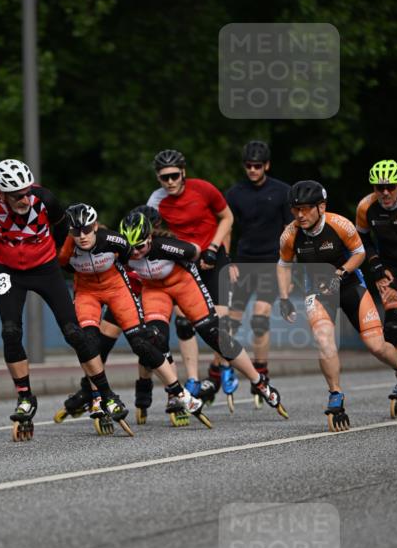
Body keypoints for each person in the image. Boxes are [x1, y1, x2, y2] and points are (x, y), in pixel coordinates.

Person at [0, 159, 128, 439]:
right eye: (16, 195)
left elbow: (61, 234)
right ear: (0, 193)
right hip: (10, 271)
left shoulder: (45, 199)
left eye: (26, 191)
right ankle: (25, 398)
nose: (24, 198)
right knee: (10, 332)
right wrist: (13, 251)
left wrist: (44, 255)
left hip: (45, 269)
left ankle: (106, 394)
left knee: (74, 333)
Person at [119, 207, 289, 418]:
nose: (135, 252)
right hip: (154, 290)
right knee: (155, 339)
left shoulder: (166, 246)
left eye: (140, 246)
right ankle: (175, 393)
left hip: (183, 284)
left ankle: (259, 382)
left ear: (150, 237)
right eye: (131, 248)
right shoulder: (123, 251)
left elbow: (195, 251)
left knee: (215, 337)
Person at [53, 204, 208, 430]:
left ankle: (176, 394)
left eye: (86, 230)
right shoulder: (67, 249)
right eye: (76, 232)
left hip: (123, 292)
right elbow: (61, 267)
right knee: (93, 344)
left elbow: (144, 262)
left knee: (144, 342)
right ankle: (94, 395)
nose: (82, 236)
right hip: (91, 293)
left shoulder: (123, 242)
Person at [277, 180, 397, 430]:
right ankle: (335, 393)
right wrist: (284, 298)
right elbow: (284, 265)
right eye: (295, 209)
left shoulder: (340, 225)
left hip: (350, 286)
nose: (300, 214)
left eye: (306, 208)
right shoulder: (290, 234)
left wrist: (340, 273)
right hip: (317, 292)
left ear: (321, 206)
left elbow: (360, 254)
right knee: (324, 339)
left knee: (376, 345)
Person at [147, 149, 238, 403]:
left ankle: (219, 368)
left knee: (218, 321)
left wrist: (215, 248)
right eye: (165, 178)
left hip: (213, 253)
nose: (171, 182)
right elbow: (148, 230)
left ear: (183, 172)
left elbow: (227, 217)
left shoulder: (204, 189)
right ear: (158, 178)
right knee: (184, 321)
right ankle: (192, 379)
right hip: (185, 259)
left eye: (175, 176)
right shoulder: (156, 200)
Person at [225, 140, 291, 405]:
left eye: (257, 166)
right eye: (249, 166)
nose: (252, 170)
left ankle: (261, 373)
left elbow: (290, 231)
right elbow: (227, 226)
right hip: (243, 262)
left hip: (271, 263)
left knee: (259, 320)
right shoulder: (235, 193)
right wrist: (228, 261)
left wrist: (289, 267)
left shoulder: (282, 191)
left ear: (267, 165)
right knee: (229, 323)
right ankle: (219, 371)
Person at [355, 159, 397, 403]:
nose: (385, 193)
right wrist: (377, 267)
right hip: (390, 268)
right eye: (380, 188)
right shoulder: (366, 207)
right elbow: (361, 240)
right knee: (394, 328)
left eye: (390, 187)